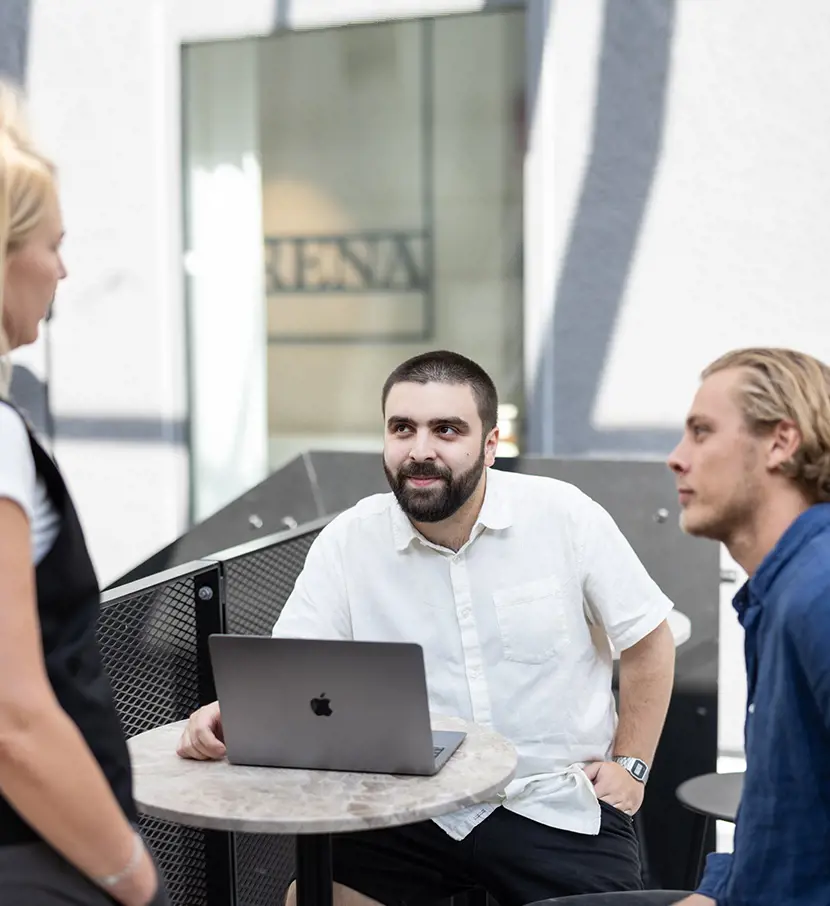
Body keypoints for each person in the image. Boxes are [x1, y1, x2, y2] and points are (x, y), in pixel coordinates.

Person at [179, 350, 677, 906]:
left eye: (446, 430)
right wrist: (236, 713)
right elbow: (293, 672)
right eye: (402, 428)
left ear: (490, 445)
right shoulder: (349, 541)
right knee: (312, 900)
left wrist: (631, 766)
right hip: (406, 810)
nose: (421, 450)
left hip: (551, 801)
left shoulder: (565, 516)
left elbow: (649, 640)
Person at [0, 82, 168, 905]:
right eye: (53, 244)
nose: (64, 270)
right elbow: (12, 721)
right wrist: (133, 879)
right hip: (36, 860)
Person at [665, 347, 830, 906]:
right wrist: (716, 892)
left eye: (702, 432)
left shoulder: (819, 592)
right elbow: (785, 815)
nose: (677, 458)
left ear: (781, 443)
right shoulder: (780, 591)